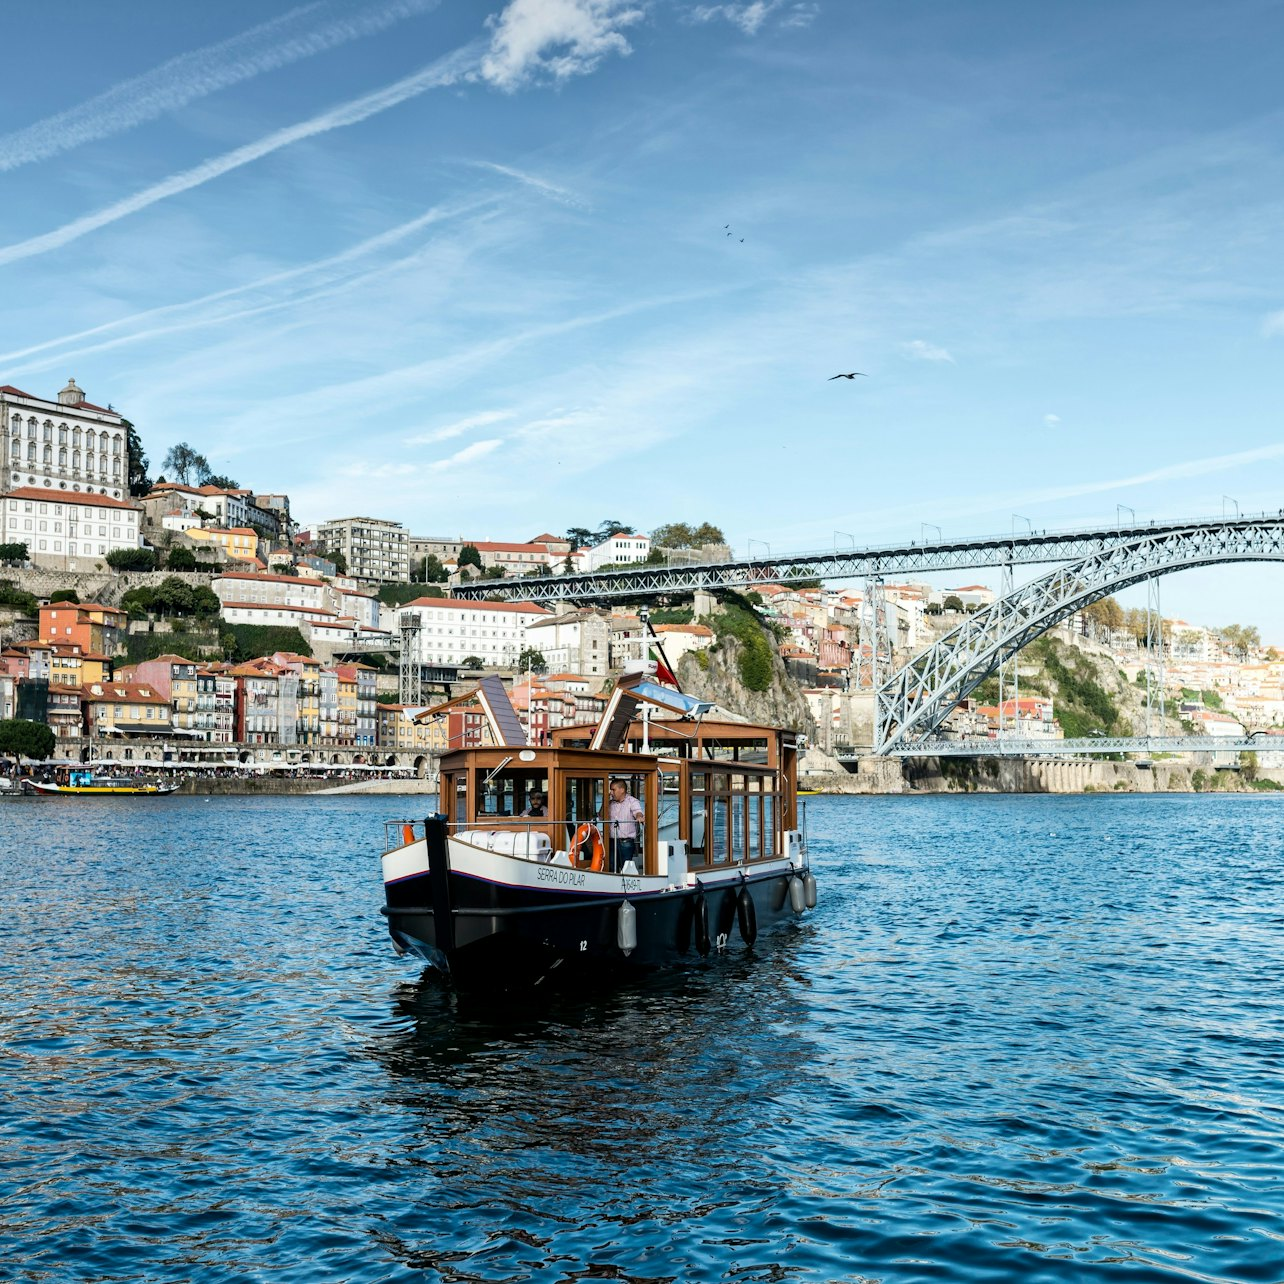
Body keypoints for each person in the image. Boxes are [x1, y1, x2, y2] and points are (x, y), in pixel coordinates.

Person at [606, 778, 644, 872]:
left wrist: (639, 817)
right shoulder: (610, 803)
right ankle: (612, 885)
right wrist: (604, 802)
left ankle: (626, 885)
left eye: (613, 789)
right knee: (611, 866)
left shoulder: (632, 801)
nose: (611, 792)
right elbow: (601, 815)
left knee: (625, 868)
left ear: (622, 790)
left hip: (626, 842)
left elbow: (638, 812)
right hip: (611, 841)